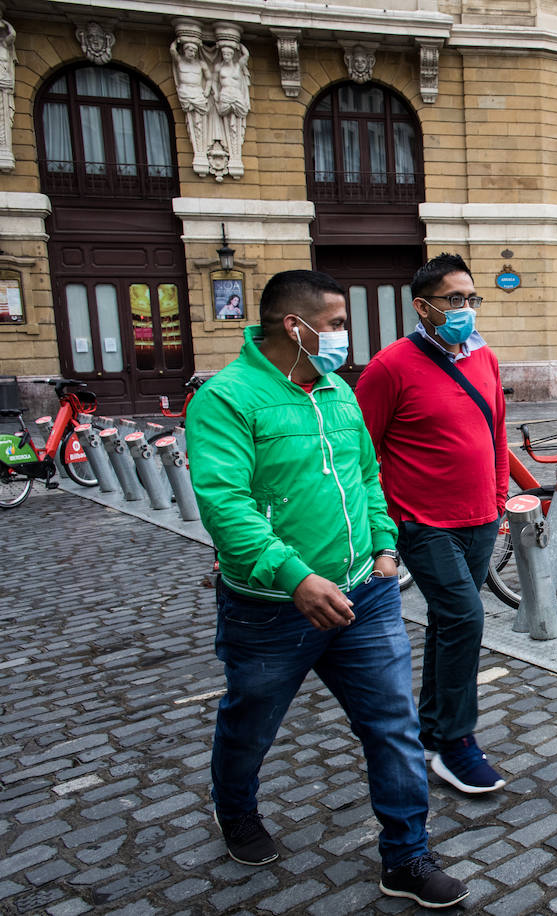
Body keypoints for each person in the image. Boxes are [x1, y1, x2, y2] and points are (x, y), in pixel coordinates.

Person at [185, 269, 467, 908]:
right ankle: (237, 811)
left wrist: (385, 544)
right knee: (251, 722)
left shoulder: (340, 390)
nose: (345, 336)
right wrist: (294, 577)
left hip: (364, 594)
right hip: (271, 609)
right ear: (296, 326)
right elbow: (224, 504)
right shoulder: (227, 400)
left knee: (393, 723)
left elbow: (367, 474)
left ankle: (406, 857)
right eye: (337, 324)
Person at [355, 253, 509, 796]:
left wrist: (497, 500)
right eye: (455, 300)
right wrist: (384, 529)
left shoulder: (483, 358)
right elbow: (361, 456)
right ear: (423, 307)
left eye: (472, 298)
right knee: (466, 619)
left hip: (480, 518)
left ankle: (431, 726)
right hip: (422, 521)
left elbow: (496, 432)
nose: (466, 308)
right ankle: (454, 742)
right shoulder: (389, 367)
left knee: (449, 623)